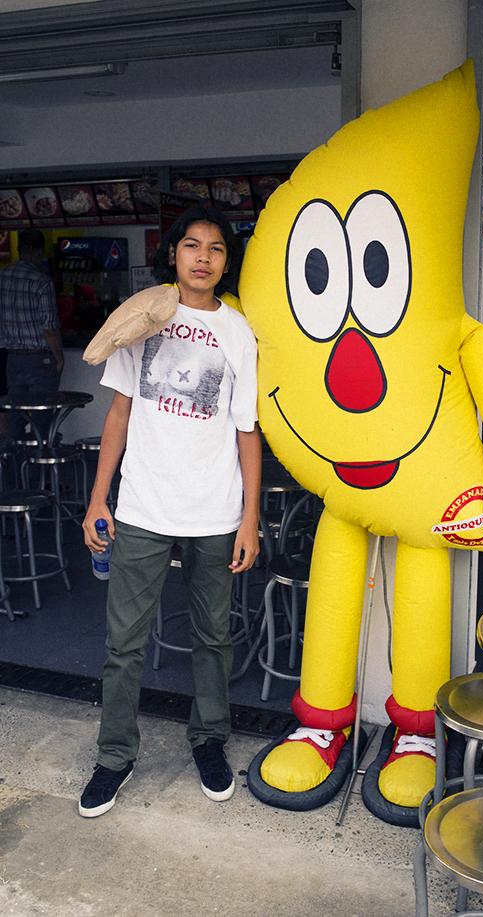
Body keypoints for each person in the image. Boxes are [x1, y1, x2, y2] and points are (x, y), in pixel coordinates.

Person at [79, 205, 262, 817]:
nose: (203, 257)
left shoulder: (238, 331)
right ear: (174, 255)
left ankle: (209, 741)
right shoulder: (143, 316)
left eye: (214, 248)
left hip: (213, 511)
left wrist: (249, 518)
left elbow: (247, 433)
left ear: (226, 262)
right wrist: (99, 496)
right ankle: (114, 756)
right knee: (123, 642)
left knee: (213, 636)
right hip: (143, 507)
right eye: (191, 246)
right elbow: (119, 413)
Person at [0, 228, 64, 440]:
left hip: (13, 359)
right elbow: (50, 327)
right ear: (40, 250)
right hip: (40, 359)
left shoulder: (2, 277)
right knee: (42, 416)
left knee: (16, 414)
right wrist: (59, 357)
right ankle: (40, 468)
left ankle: (15, 468)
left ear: (18, 249)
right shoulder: (42, 282)